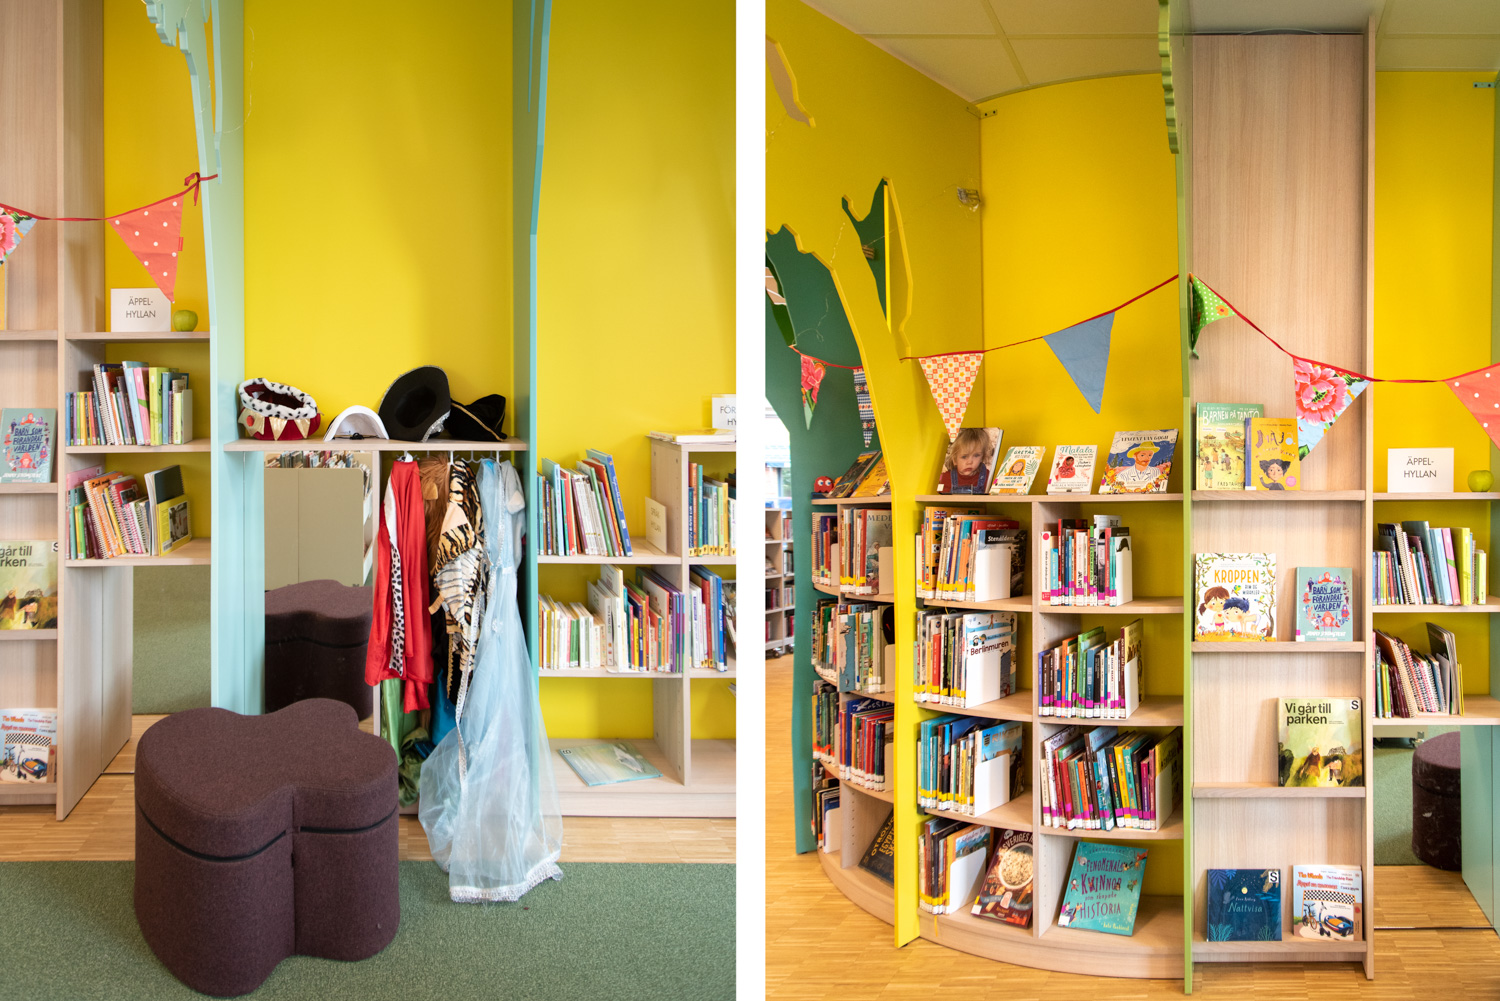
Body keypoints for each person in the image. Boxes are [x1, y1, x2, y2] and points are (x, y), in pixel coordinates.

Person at [938, 427, 994, 494]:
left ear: (982, 457)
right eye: (964, 457)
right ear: (955, 460)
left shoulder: (987, 476)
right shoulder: (946, 478)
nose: (970, 462)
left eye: (976, 455)